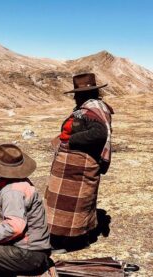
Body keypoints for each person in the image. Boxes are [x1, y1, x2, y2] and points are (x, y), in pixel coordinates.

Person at [44, 73, 114, 252]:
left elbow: (98, 134)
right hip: (72, 165)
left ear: (86, 93)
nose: (75, 96)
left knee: (72, 205)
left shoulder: (92, 109)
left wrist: (71, 141)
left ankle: (70, 242)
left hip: (80, 165)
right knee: (76, 203)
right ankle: (81, 236)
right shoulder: (85, 108)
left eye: (77, 93)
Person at [0, 144, 51, 277]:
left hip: (30, 255)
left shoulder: (12, 193)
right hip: (38, 250)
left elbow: (14, 227)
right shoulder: (21, 182)